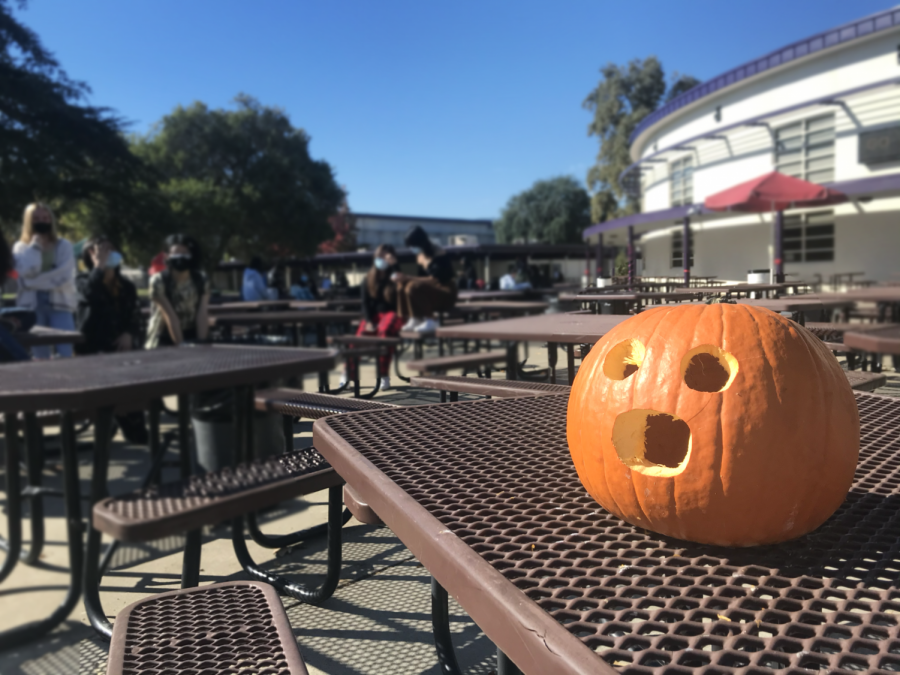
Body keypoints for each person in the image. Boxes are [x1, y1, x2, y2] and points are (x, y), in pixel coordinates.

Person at [75, 235, 147, 442]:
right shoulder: (82, 281)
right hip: (94, 348)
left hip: (122, 347)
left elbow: (135, 315)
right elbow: (89, 293)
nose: (109, 255)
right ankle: (107, 425)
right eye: (103, 251)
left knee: (132, 395)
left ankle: (133, 428)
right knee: (103, 396)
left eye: (111, 250)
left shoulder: (127, 286)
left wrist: (129, 334)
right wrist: (99, 267)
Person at [12, 203, 77, 358]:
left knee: (65, 351)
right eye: (36, 218)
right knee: (40, 354)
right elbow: (24, 272)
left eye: (45, 218)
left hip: (60, 304)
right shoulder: (21, 247)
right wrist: (35, 247)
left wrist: (29, 283)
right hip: (31, 307)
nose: (41, 221)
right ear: (29, 221)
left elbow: (64, 276)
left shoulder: (64, 245)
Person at [341, 244, 403, 390]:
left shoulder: (394, 276)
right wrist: (368, 321)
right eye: (380, 256)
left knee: (385, 332)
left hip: (393, 313)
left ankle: (383, 374)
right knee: (360, 337)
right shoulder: (367, 279)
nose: (383, 260)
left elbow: (402, 285)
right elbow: (365, 303)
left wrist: (395, 265)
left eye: (387, 257)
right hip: (374, 315)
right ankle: (348, 373)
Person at [145, 234, 210, 349]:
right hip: (163, 335)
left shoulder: (201, 279)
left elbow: (202, 314)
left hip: (192, 332)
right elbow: (171, 317)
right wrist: (181, 346)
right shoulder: (158, 281)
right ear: (166, 256)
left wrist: (202, 343)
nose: (181, 256)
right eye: (176, 253)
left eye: (185, 253)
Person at [394, 226, 457, 333]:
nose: (412, 248)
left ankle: (432, 319)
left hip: (446, 291)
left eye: (413, 245)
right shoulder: (420, 255)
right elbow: (420, 278)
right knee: (403, 285)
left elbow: (434, 279)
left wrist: (408, 277)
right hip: (432, 291)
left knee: (413, 286)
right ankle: (414, 317)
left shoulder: (439, 253)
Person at [0, 234, 31, 363]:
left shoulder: (6, 271)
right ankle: (24, 362)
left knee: (28, 316)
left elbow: (8, 299)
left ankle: (5, 323)